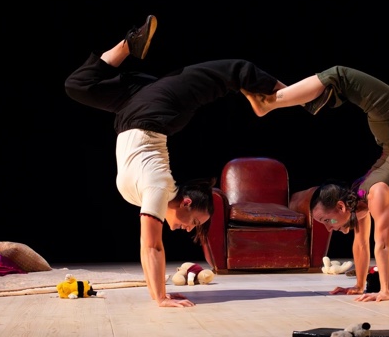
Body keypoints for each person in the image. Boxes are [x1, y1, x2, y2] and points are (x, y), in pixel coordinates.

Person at [65, 15, 286, 307]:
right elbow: (152, 247)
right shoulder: (158, 188)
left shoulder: (149, 195)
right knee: (232, 71)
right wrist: (160, 298)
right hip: (155, 112)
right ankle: (290, 95)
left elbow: (149, 250)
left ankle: (129, 45)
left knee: (78, 85)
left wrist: (160, 292)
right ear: (185, 203)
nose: (190, 229)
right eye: (194, 222)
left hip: (133, 107)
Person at [242, 48, 389, 302]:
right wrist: (359, 286)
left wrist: (384, 292)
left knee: (340, 76)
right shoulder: (363, 200)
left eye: (327, 221)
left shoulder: (372, 194)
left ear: (340, 206)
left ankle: (270, 102)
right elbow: (363, 246)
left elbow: (381, 246)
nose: (329, 229)